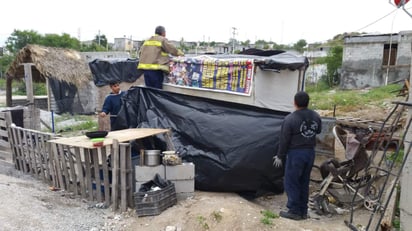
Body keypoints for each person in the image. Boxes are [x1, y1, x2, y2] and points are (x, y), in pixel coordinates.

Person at [273, 91, 322, 220]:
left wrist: (280, 155)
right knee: (304, 182)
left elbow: (284, 140)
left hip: (296, 154)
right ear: (308, 102)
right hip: (310, 153)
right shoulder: (316, 116)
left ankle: (294, 211)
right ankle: (303, 211)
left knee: (292, 181)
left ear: (294, 103)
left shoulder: (290, 119)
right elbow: (319, 130)